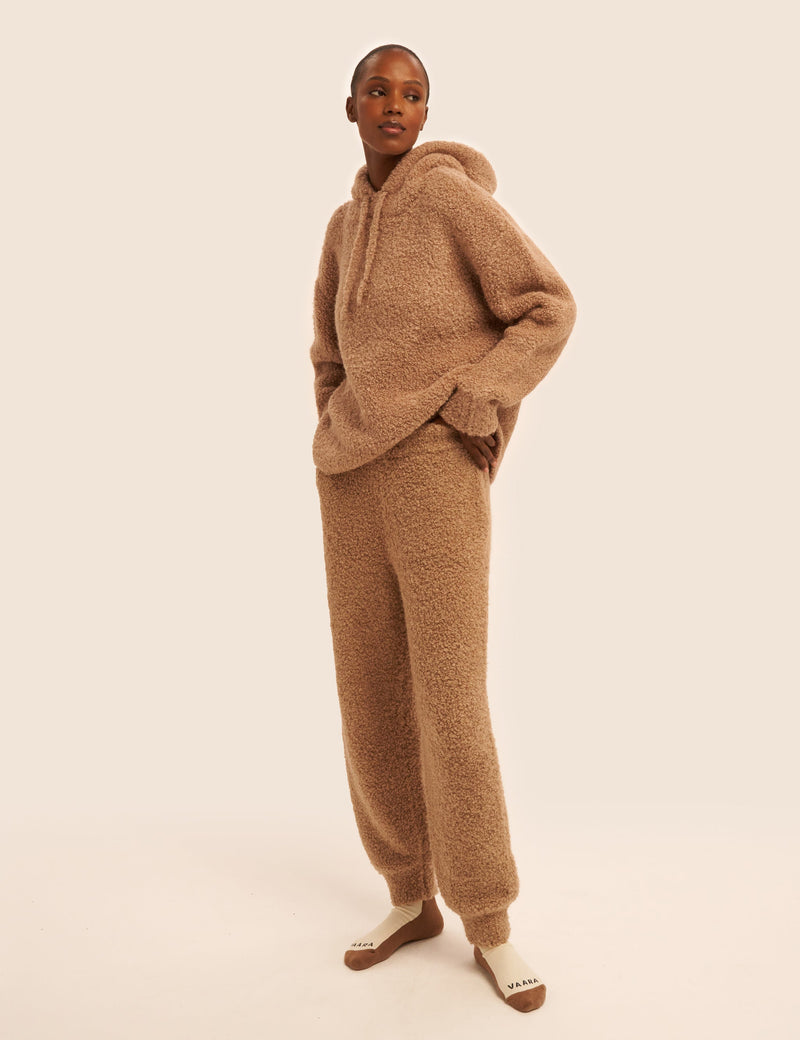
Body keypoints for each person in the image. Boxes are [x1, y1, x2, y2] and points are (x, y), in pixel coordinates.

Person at [309, 43, 577, 1014]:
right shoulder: (344, 227)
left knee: (449, 696)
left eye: (413, 92)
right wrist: (331, 422)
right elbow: (327, 353)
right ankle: (406, 890)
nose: (396, 104)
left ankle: (489, 919)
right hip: (349, 478)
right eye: (378, 90)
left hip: (432, 468)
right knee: (369, 688)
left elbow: (546, 307)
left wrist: (477, 400)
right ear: (349, 107)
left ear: (427, 111)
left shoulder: (451, 200)